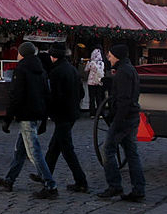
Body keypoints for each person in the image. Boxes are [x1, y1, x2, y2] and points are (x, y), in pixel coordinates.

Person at [0, 41, 58, 199]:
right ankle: (10, 179)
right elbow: (47, 95)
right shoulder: (41, 70)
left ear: (22, 54)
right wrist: (44, 119)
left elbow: (15, 96)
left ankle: (50, 185)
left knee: (34, 152)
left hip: (26, 115)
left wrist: (8, 118)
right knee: (20, 150)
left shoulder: (21, 70)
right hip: (36, 114)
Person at [30, 43, 89, 193]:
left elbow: (53, 96)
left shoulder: (56, 72)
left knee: (67, 149)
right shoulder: (72, 69)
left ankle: (81, 181)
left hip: (62, 114)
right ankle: (45, 174)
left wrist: (48, 112)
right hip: (71, 113)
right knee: (54, 147)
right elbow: (81, 93)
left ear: (53, 56)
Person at [98, 44, 146, 202]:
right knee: (132, 153)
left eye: (110, 55)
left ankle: (114, 185)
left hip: (124, 118)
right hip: (131, 116)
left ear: (117, 56)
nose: (108, 58)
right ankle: (138, 189)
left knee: (108, 150)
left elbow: (124, 99)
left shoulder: (123, 72)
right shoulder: (128, 69)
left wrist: (117, 120)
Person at [86, 47, 106, 117]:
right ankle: (100, 113)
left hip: (91, 82)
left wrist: (88, 63)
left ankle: (92, 113)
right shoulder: (102, 63)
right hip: (99, 81)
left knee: (92, 98)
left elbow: (86, 69)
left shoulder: (91, 63)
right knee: (99, 98)